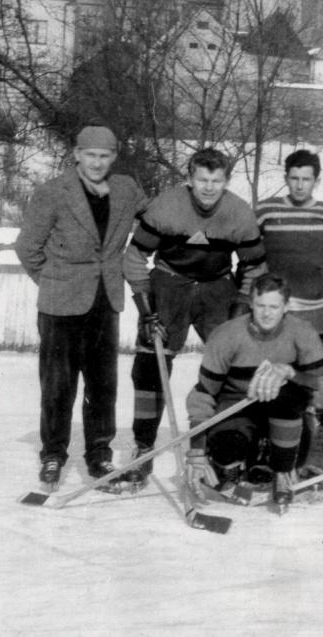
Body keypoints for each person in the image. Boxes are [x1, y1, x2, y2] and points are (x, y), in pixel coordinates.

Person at [120, 148, 266, 487]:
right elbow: (134, 257)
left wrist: (242, 305)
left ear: (226, 181)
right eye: (202, 179)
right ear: (190, 179)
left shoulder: (239, 213)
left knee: (237, 362)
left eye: (216, 181)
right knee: (150, 363)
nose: (209, 187)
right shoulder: (165, 207)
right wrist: (145, 309)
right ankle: (142, 449)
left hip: (217, 286)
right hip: (170, 282)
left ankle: (232, 448)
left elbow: (254, 265)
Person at [14, 124, 146, 491]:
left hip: (106, 301)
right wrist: (55, 282)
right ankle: (53, 454)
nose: (97, 163)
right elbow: (27, 248)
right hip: (60, 304)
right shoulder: (53, 192)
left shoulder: (125, 189)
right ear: (76, 154)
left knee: (103, 384)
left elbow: (157, 216)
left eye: (105, 156)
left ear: (114, 157)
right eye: (90, 155)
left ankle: (99, 455)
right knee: (58, 384)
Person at [183, 275, 323, 511]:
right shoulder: (226, 334)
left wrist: (292, 373)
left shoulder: (302, 331)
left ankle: (282, 470)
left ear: (286, 306)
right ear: (251, 303)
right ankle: (240, 462)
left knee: (285, 394)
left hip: (285, 413)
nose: (266, 313)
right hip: (238, 405)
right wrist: (197, 448)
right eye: (261, 305)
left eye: (274, 307)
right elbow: (203, 393)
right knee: (226, 452)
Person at [256, 150, 323, 478]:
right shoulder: (265, 212)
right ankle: (271, 459)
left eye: (307, 179)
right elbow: (253, 264)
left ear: (316, 180)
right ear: (286, 178)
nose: (300, 186)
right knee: (276, 385)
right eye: (294, 178)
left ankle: (322, 464)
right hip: (280, 316)